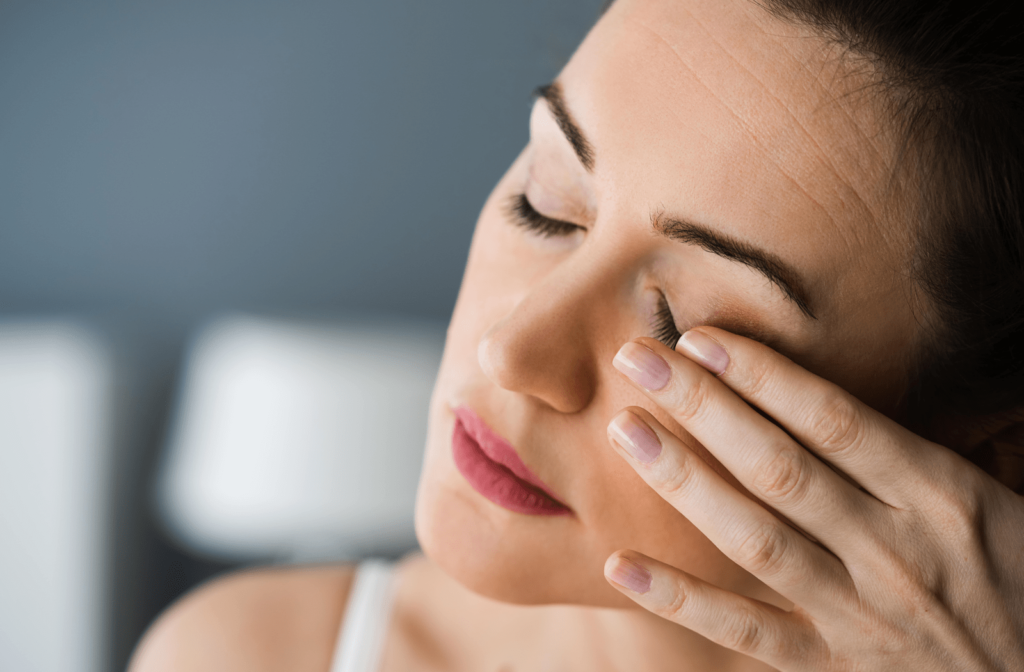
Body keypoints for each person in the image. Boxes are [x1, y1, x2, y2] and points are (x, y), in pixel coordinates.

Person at [129, 0, 1024, 669]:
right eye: (546, 203)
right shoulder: (245, 652)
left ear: (982, 458)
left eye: (682, 332)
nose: (511, 352)